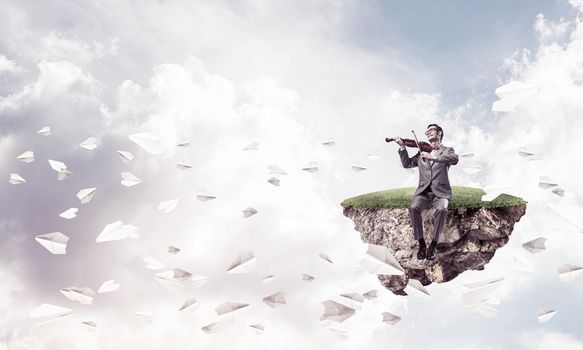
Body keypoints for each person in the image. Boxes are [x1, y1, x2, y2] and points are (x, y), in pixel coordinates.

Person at [395, 124, 459, 260]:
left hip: (441, 192)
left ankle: (434, 245)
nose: (428, 132)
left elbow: (455, 159)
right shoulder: (420, 152)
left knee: (442, 209)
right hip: (423, 191)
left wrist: (433, 158)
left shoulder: (447, 150)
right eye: (426, 131)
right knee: (413, 207)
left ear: (440, 132)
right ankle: (422, 244)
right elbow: (407, 164)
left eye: (431, 130)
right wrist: (402, 146)